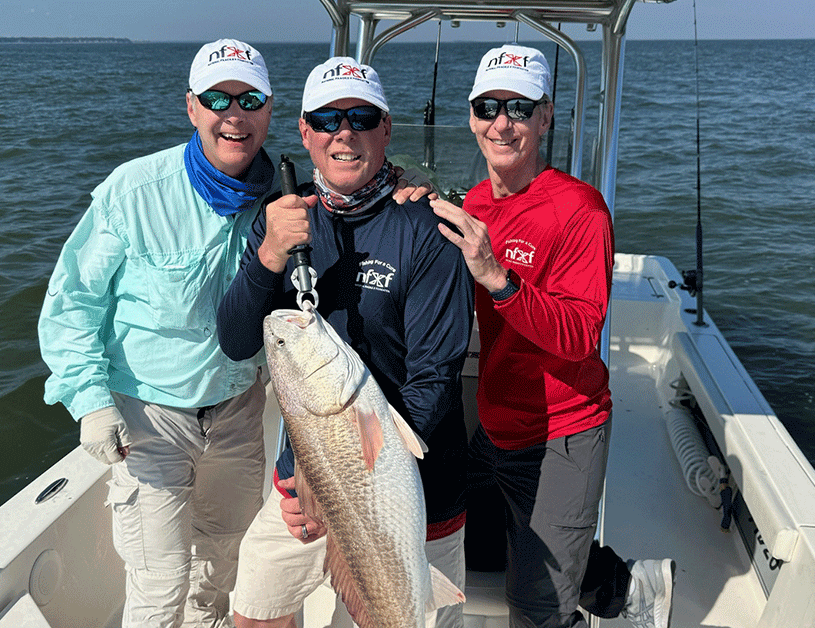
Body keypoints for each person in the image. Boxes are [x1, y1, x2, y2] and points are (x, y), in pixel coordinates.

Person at [217, 57, 473, 628]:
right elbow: (236, 342)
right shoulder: (281, 219)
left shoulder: (426, 231)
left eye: (360, 117)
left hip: (414, 493)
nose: (344, 132)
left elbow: (434, 380)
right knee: (255, 611)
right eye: (327, 119)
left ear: (386, 129)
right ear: (305, 132)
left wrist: (350, 489)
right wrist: (267, 258)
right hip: (310, 475)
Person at [429, 44, 676, 628]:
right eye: (488, 106)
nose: (501, 123)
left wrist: (498, 278)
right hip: (493, 422)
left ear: (546, 117)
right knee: (423, 516)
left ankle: (616, 593)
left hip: (564, 431)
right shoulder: (474, 203)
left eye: (519, 107)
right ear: (471, 116)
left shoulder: (580, 210)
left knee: (537, 605)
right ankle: (626, 581)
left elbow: (579, 332)